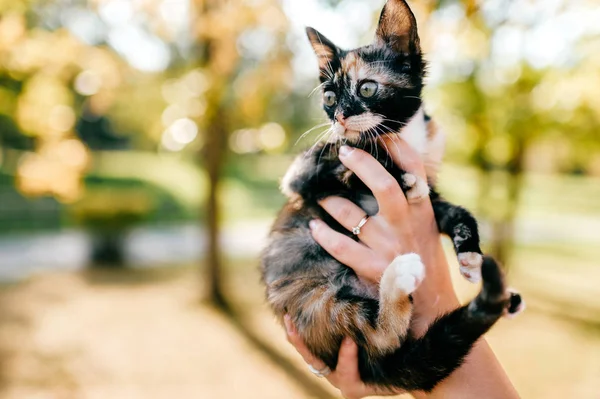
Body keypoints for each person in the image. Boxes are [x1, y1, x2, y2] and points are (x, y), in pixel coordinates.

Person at [283, 136, 520, 399]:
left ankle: (395, 323)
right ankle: (393, 324)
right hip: (337, 303)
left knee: (414, 359)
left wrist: (431, 303)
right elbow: (295, 181)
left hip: (378, 336)